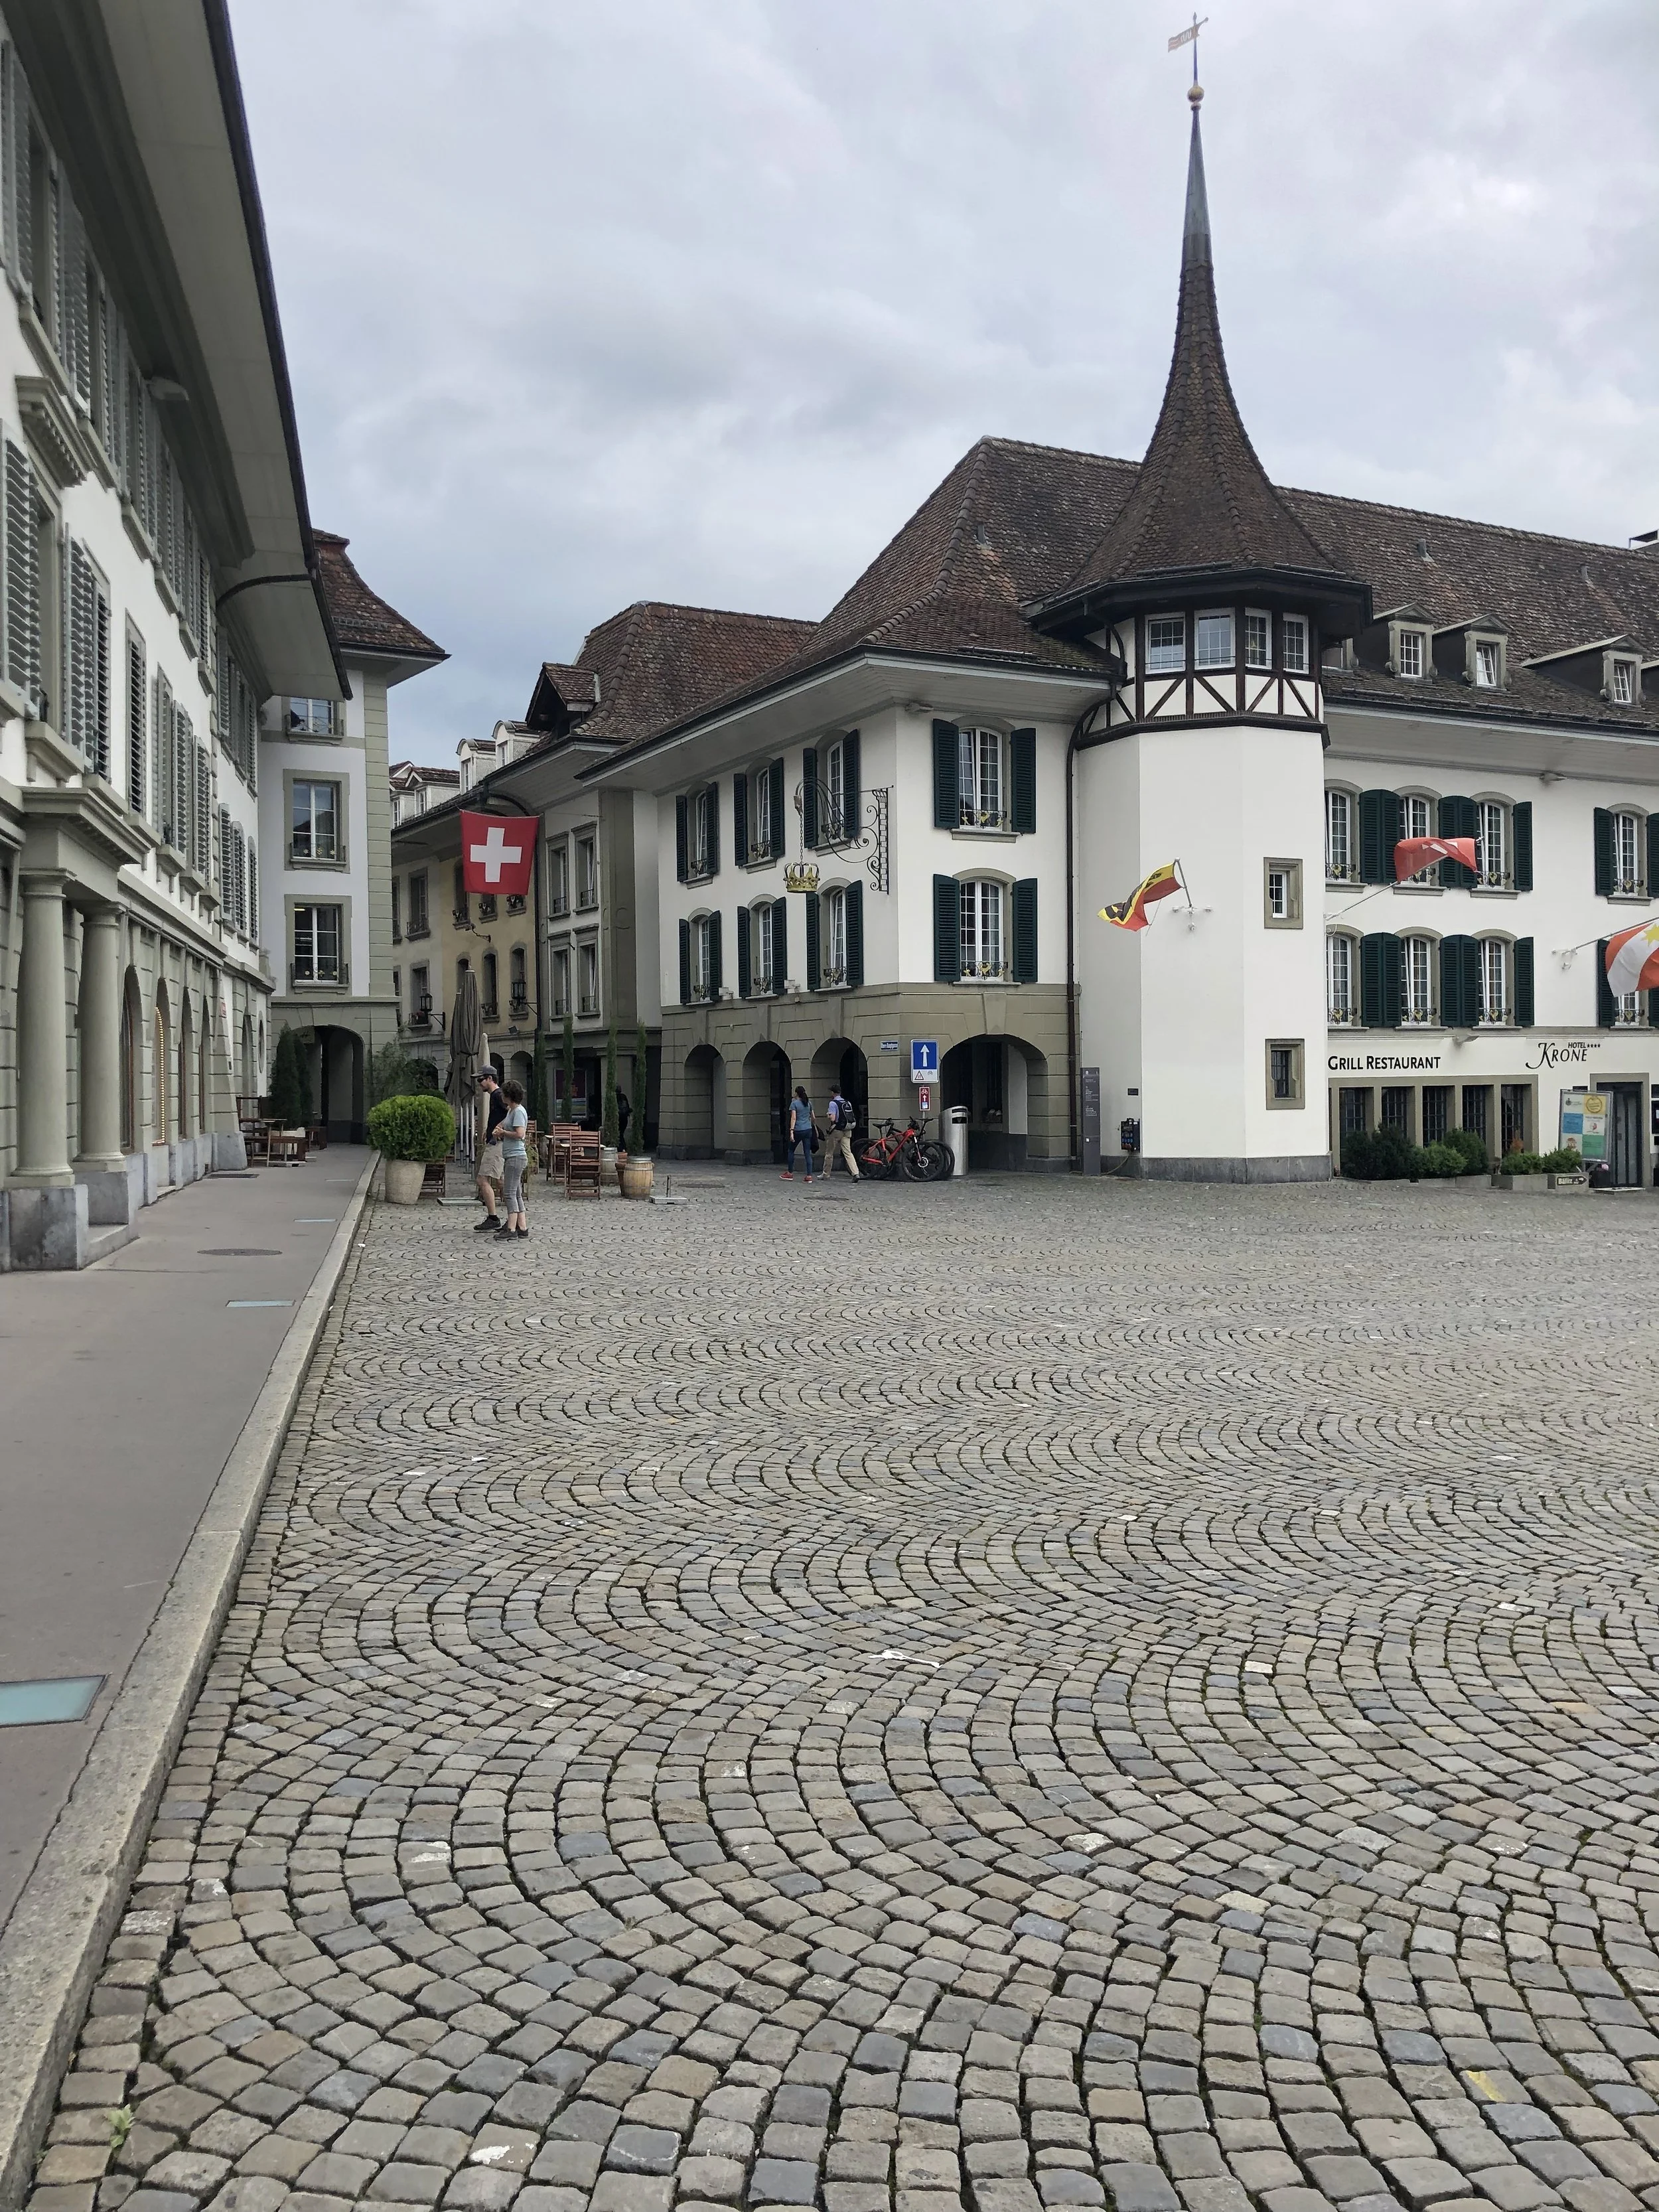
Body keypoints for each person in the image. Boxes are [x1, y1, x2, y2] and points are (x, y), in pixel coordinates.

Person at [496, 1080, 530, 1239]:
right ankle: (522, 1227)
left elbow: (520, 1134)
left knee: (509, 1193)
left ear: (509, 1096)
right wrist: (499, 1130)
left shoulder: (518, 1112)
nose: (501, 1095)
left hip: (516, 1156)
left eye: (504, 1093)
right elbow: (503, 1126)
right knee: (516, 1193)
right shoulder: (511, 1111)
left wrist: (503, 1133)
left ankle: (511, 1229)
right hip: (511, 1155)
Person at [475, 1069, 507, 1230]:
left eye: (480, 1080)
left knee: (483, 1180)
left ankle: (494, 1218)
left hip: (496, 1144)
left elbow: (513, 1111)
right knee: (501, 1182)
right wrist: (488, 1129)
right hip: (496, 1142)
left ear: (490, 1078)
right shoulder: (496, 1095)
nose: (479, 1084)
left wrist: (498, 1128)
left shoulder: (497, 1095)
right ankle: (513, 1217)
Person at [824, 1084, 861, 1179]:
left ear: (833, 1092)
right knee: (848, 1152)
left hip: (837, 1131)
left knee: (829, 1153)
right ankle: (856, 1173)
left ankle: (826, 1174)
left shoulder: (833, 1103)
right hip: (847, 1130)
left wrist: (828, 1115)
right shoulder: (847, 1102)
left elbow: (833, 1118)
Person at [782, 1084, 816, 1181]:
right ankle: (809, 1176)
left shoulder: (794, 1104)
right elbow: (813, 1117)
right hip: (808, 1129)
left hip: (798, 1129)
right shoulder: (808, 1103)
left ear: (796, 1093)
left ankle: (790, 1173)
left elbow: (794, 1118)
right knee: (807, 1153)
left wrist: (791, 1131)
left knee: (791, 1150)